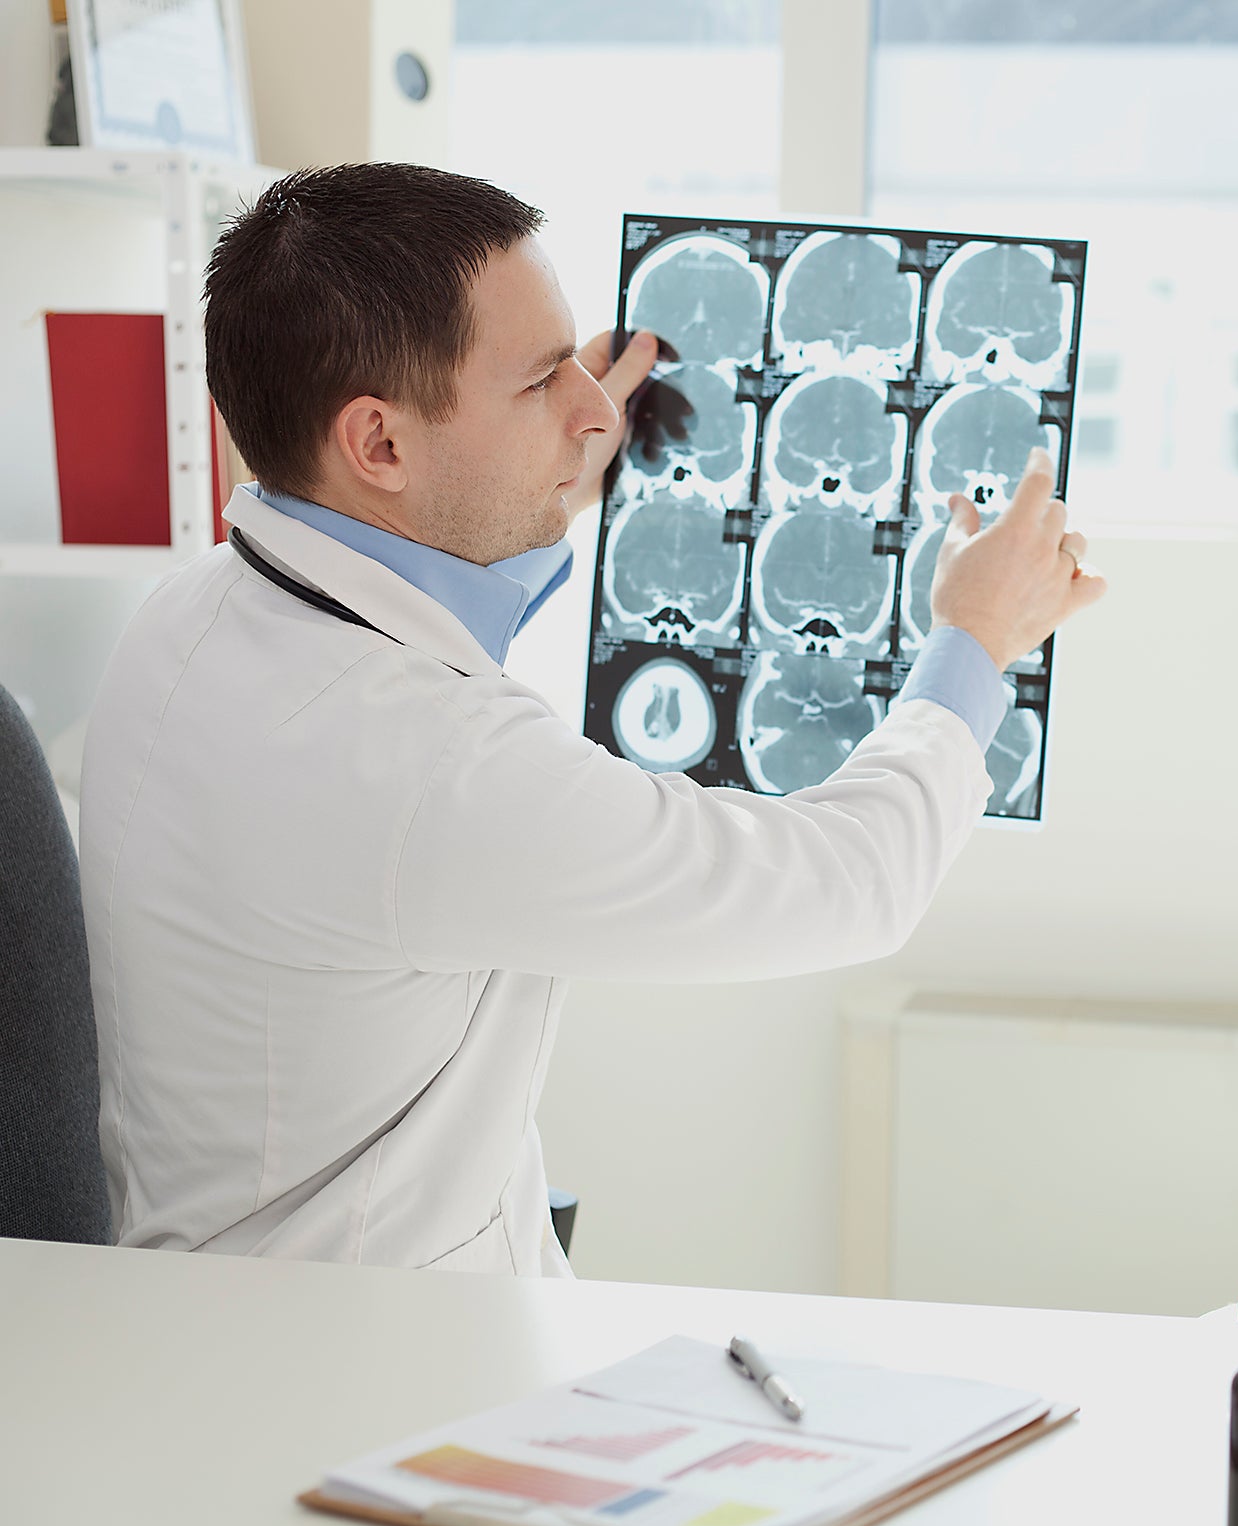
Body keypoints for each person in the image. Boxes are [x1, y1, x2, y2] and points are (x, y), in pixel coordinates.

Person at [78, 163, 1104, 1275]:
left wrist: (538, 465)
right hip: (362, 1365)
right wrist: (976, 638)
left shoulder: (184, 619)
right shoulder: (432, 768)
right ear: (379, 446)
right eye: (539, 384)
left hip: (225, 1297)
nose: (595, 405)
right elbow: (851, 883)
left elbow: (407, 651)